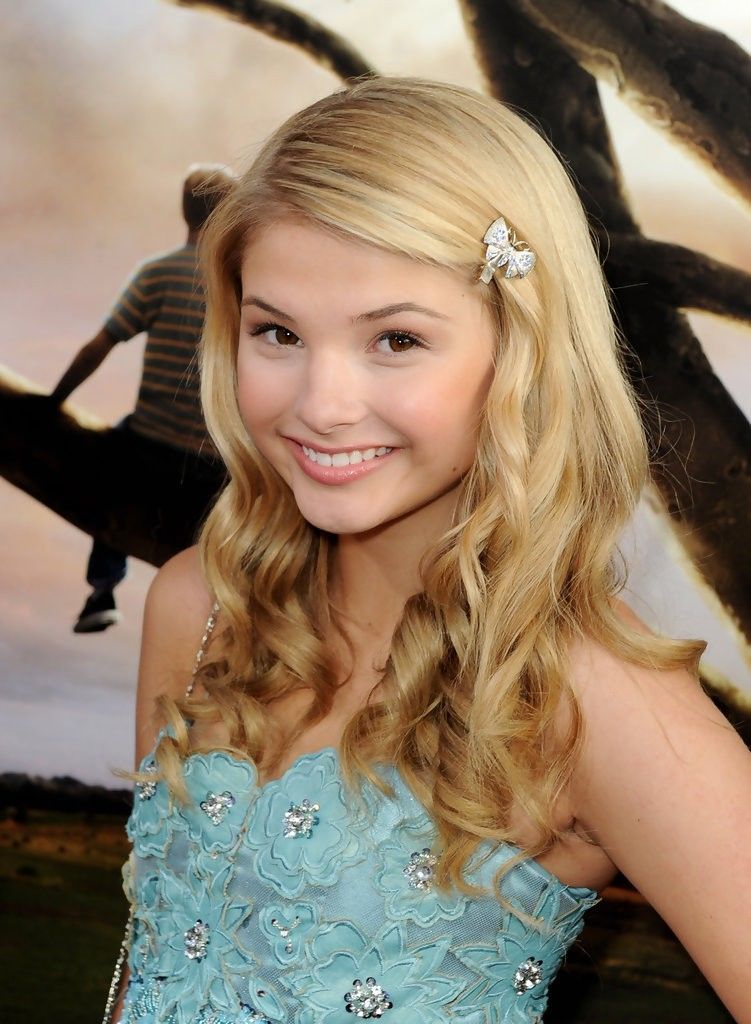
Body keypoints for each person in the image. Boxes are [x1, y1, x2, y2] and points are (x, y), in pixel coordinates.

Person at [106, 79, 751, 1024]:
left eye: (396, 339)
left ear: (520, 350)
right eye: (277, 332)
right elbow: (148, 958)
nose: (321, 404)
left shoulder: (586, 689)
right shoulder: (198, 602)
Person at [50, 164, 236, 634]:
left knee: (107, 472)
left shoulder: (158, 273)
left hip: (147, 446)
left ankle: (102, 589)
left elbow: (99, 346)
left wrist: (54, 400)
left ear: (184, 210)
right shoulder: (239, 285)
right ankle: (211, 624)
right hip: (211, 461)